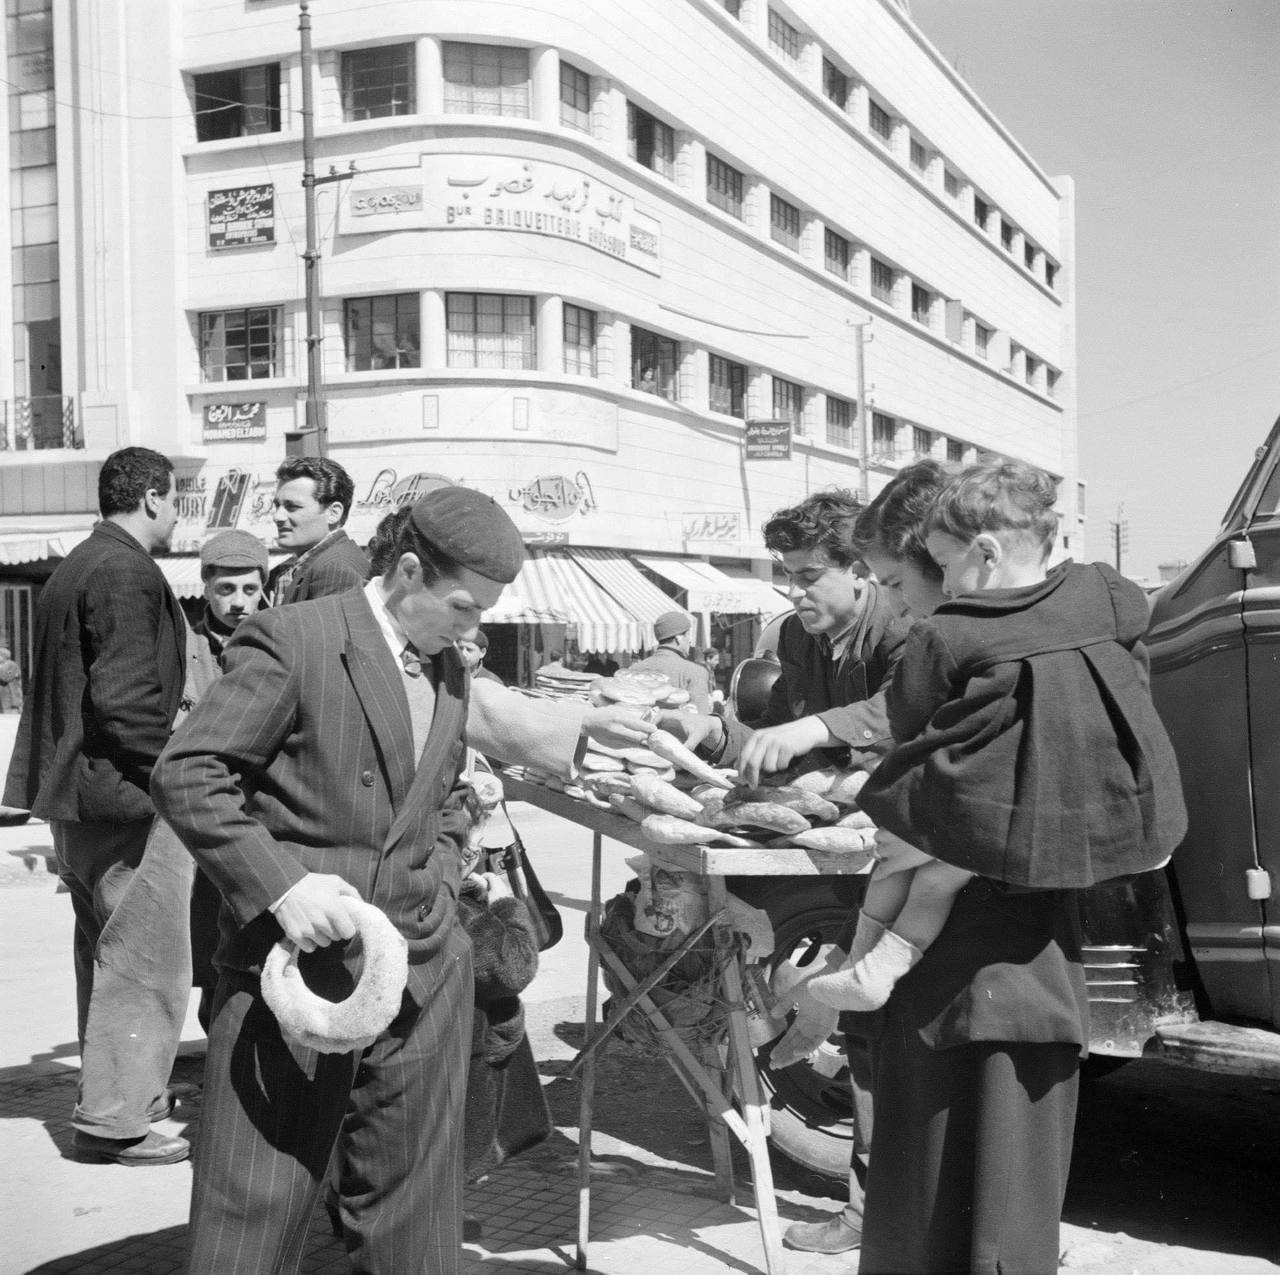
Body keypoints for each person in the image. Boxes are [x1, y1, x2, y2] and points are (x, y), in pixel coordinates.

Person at [152, 484, 525, 1274]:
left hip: (423, 977)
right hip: (296, 975)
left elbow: (448, 793)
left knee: (415, 1231)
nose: (474, 627)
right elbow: (189, 774)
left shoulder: (450, 671)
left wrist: (444, 877)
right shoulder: (294, 637)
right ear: (411, 570)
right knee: (252, 1216)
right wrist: (286, 888)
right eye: (463, 606)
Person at [812, 461, 1186, 1015]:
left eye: (943, 565)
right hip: (1122, 812)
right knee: (933, 867)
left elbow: (909, 716)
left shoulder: (951, 629)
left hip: (1005, 821)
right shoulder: (1105, 589)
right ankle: (861, 974)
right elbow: (1134, 624)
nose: (944, 584)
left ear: (986, 554)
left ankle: (869, 962)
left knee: (917, 866)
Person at [661, 489, 911, 1257]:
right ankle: (873, 1215)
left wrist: (824, 743)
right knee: (866, 1034)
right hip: (849, 856)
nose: (794, 592)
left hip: (919, 859)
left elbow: (908, 716)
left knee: (900, 1036)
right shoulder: (802, 639)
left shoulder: (906, 627)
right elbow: (782, 741)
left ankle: (906, 1217)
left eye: (809, 575)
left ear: (859, 569)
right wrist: (716, 734)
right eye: (787, 575)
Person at [3, 446, 190, 1167]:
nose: (176, 514)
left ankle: (120, 1100)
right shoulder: (123, 570)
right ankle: (115, 1119)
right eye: (175, 500)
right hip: (124, 801)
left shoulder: (79, 562)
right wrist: (178, 772)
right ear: (149, 497)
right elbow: (127, 702)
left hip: (78, 803)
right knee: (145, 964)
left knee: (108, 956)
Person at [185, 529, 271, 1032]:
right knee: (205, 930)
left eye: (249, 590)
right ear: (206, 587)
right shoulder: (186, 646)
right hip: (207, 808)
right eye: (226, 590)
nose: (239, 603)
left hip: (258, 808)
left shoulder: (276, 640)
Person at [266, 455, 370, 605]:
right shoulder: (323, 564)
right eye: (277, 506)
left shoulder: (337, 570)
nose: (277, 516)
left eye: (292, 507)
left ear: (333, 513)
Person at [627, 610, 712, 713]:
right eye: (688, 636)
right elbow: (701, 721)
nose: (690, 642)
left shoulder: (633, 670)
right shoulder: (696, 672)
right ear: (679, 638)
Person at [0, 644, 22, 712]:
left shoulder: (11, 665)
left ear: (3, 656)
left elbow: (5, 677)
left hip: (11, 701)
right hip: (4, 700)